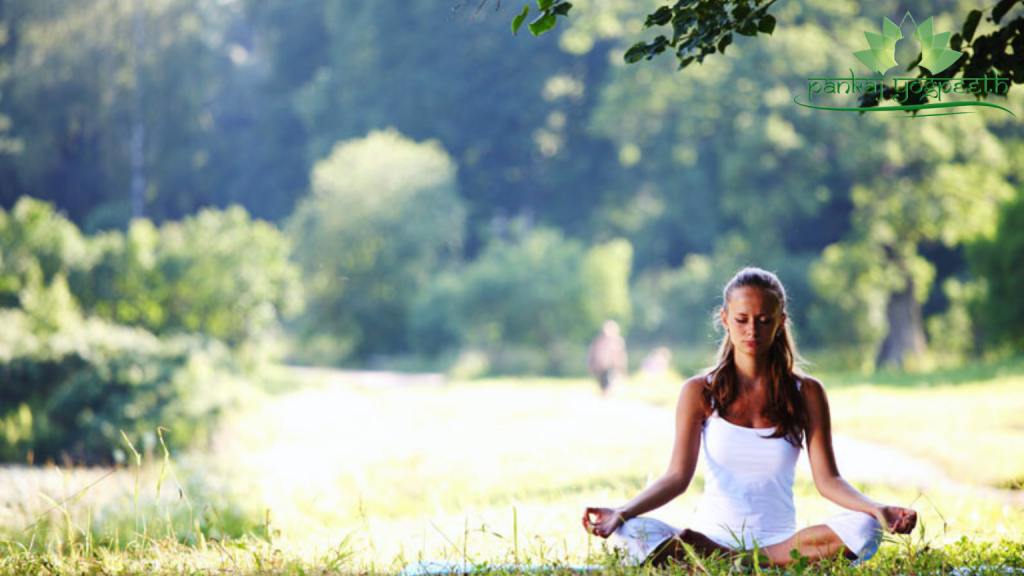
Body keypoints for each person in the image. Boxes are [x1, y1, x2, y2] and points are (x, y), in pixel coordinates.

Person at [581, 267, 917, 567]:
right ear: (725, 320)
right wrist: (623, 511)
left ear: (780, 321)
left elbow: (828, 480)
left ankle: (747, 563)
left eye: (763, 320)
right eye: (741, 320)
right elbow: (676, 477)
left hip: (782, 546)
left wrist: (876, 509)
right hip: (708, 540)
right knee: (634, 532)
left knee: (865, 528)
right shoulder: (699, 391)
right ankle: (737, 561)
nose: (751, 331)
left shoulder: (808, 393)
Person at [588, 320, 628, 397]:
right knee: (604, 383)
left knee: (611, 381)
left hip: (613, 364)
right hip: (602, 365)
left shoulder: (618, 341)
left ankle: (607, 395)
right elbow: (595, 353)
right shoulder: (599, 341)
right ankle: (604, 395)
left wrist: (621, 365)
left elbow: (621, 354)